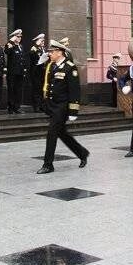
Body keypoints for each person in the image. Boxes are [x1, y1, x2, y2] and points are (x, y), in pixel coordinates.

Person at [36, 40, 89, 174]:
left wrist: (73, 110)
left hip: (62, 107)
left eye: (51, 52)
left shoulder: (70, 67)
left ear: (60, 52)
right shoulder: (51, 66)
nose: (49, 54)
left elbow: (74, 91)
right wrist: (39, 64)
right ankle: (82, 153)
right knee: (62, 133)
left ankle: (48, 164)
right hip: (52, 106)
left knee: (51, 133)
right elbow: (40, 80)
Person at [5, 29, 28, 114]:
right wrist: (11, 41)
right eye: (17, 37)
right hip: (12, 72)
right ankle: (10, 108)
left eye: (20, 37)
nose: (19, 38)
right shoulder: (10, 45)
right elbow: (6, 51)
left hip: (20, 72)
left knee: (18, 90)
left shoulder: (21, 46)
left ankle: (17, 107)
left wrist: (24, 70)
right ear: (14, 37)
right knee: (11, 90)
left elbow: (23, 59)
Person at [29, 33, 47, 112]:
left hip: (43, 72)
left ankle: (42, 106)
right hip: (36, 72)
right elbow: (31, 55)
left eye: (43, 41)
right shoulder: (34, 49)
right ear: (37, 41)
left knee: (42, 89)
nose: (43, 42)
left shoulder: (43, 49)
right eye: (41, 40)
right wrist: (36, 45)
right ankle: (36, 106)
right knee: (36, 90)